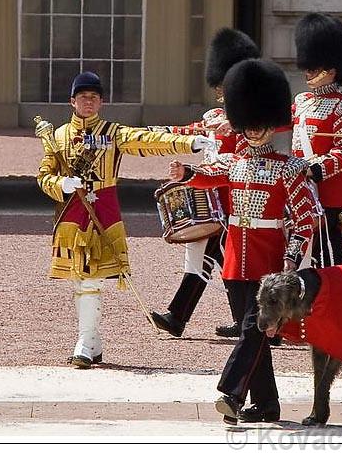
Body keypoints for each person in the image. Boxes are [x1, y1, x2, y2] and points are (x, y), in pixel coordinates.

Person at [167, 58, 315, 423]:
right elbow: (208, 174)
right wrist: (186, 173)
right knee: (257, 336)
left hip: (270, 264)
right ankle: (266, 405)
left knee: (254, 329)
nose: (253, 131)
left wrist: (291, 263)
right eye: (248, 124)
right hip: (236, 261)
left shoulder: (289, 167)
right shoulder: (234, 162)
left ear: (271, 125)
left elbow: (305, 219)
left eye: (259, 125)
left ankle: (231, 394)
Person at [36, 71, 212, 369]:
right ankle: (91, 341)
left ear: (101, 102)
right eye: (83, 97)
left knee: (92, 276)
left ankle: (86, 340)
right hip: (72, 211)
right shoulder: (58, 136)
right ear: (72, 101)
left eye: (94, 97)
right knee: (81, 277)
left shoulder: (113, 132)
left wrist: (187, 144)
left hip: (103, 211)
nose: (88, 102)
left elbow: (147, 140)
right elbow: (44, 175)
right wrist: (60, 185)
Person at [149, 28, 260, 339]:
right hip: (209, 199)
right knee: (202, 255)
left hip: (237, 202)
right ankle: (180, 317)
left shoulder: (249, 121)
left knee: (229, 263)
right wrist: (151, 132)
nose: (221, 91)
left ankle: (251, 319)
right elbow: (187, 131)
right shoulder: (214, 116)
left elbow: (238, 163)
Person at [292, 12, 342, 269]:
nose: (308, 71)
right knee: (310, 252)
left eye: (314, 66)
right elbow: (275, 122)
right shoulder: (302, 101)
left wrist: (315, 169)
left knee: (328, 252)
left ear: (331, 70)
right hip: (301, 188)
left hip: (328, 192)